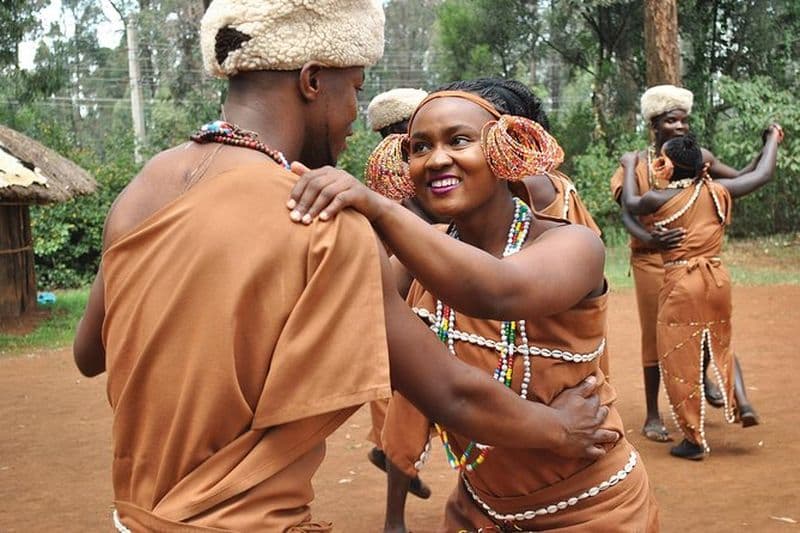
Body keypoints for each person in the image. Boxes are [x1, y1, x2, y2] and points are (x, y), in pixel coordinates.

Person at [72, 2, 618, 531]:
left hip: (136, 514)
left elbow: (90, 352)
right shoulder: (321, 219)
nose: (356, 118)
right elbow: (450, 394)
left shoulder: (142, 190)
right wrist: (559, 429)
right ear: (313, 82)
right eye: (355, 89)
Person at [287, 78, 658, 532]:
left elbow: (497, 291)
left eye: (458, 140)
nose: (436, 159)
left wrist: (380, 211)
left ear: (508, 149)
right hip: (479, 511)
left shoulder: (573, 245)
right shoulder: (426, 255)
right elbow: (362, 317)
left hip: (593, 511)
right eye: (419, 147)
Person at [610, 84, 763, 442]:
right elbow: (627, 212)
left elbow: (738, 177)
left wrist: (762, 153)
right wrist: (650, 238)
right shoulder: (637, 162)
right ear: (654, 124)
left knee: (704, 323)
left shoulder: (695, 157)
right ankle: (652, 415)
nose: (679, 126)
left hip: (690, 259)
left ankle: (705, 378)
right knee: (655, 334)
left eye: (683, 120)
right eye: (670, 120)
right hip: (651, 259)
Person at [365, 87, 434, 499]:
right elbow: (423, 231)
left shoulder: (412, 171)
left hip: (409, 286)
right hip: (401, 288)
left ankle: (393, 455)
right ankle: (396, 465)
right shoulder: (392, 181)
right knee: (403, 392)